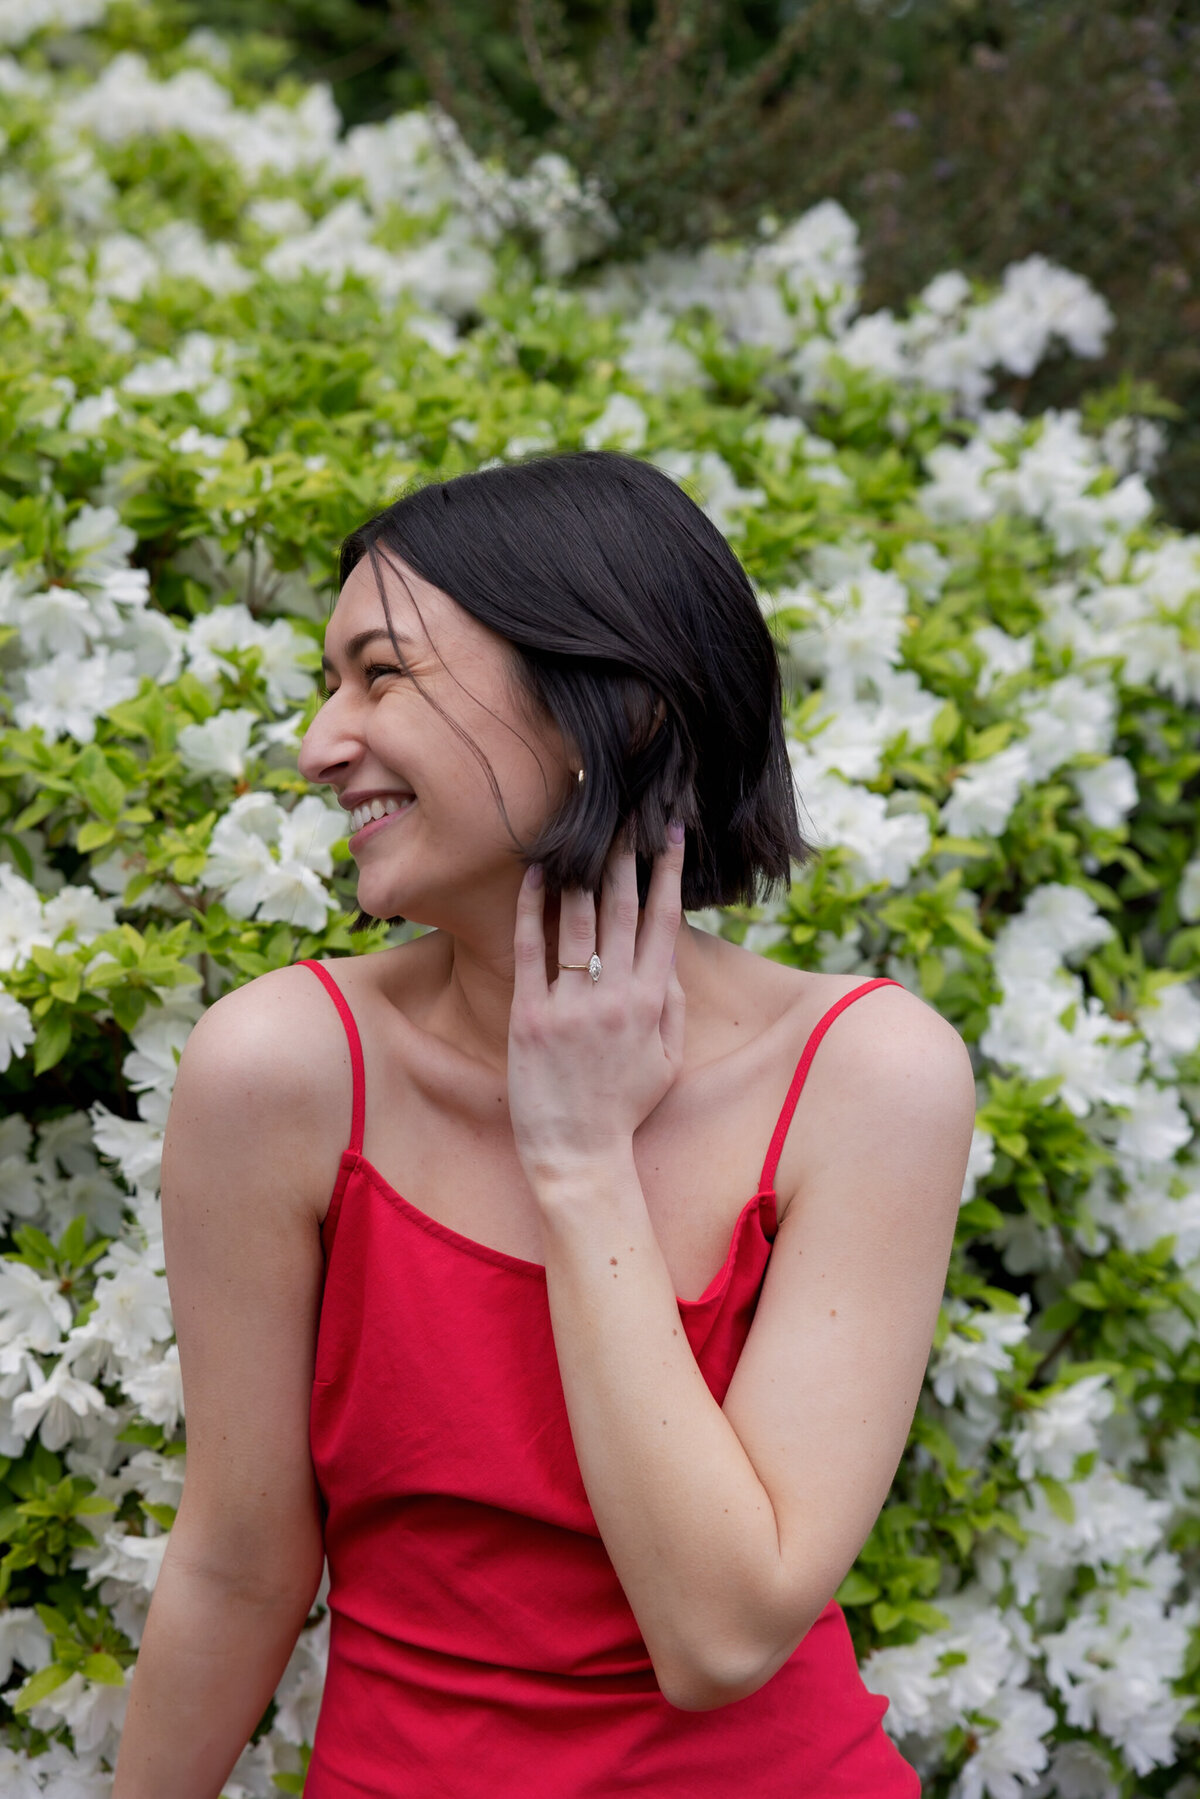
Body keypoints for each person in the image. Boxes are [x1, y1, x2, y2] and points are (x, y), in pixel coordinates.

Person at [112, 451, 976, 1797]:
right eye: (328, 682)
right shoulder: (282, 1071)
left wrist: (580, 1159)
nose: (318, 743)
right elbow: (237, 1565)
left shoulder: (867, 1078)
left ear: (609, 710)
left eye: (382, 674)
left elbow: (721, 1632)